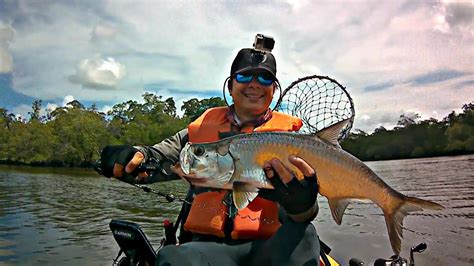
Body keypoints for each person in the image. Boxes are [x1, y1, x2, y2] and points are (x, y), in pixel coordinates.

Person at [100, 37, 322, 266]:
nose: (255, 84)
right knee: (176, 260)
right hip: (207, 249)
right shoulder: (196, 136)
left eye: (265, 78)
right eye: (245, 76)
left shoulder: (296, 142)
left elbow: (304, 216)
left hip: (276, 244)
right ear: (230, 85)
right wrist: (129, 156)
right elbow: (155, 156)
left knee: (305, 237)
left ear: (274, 90)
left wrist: (302, 205)